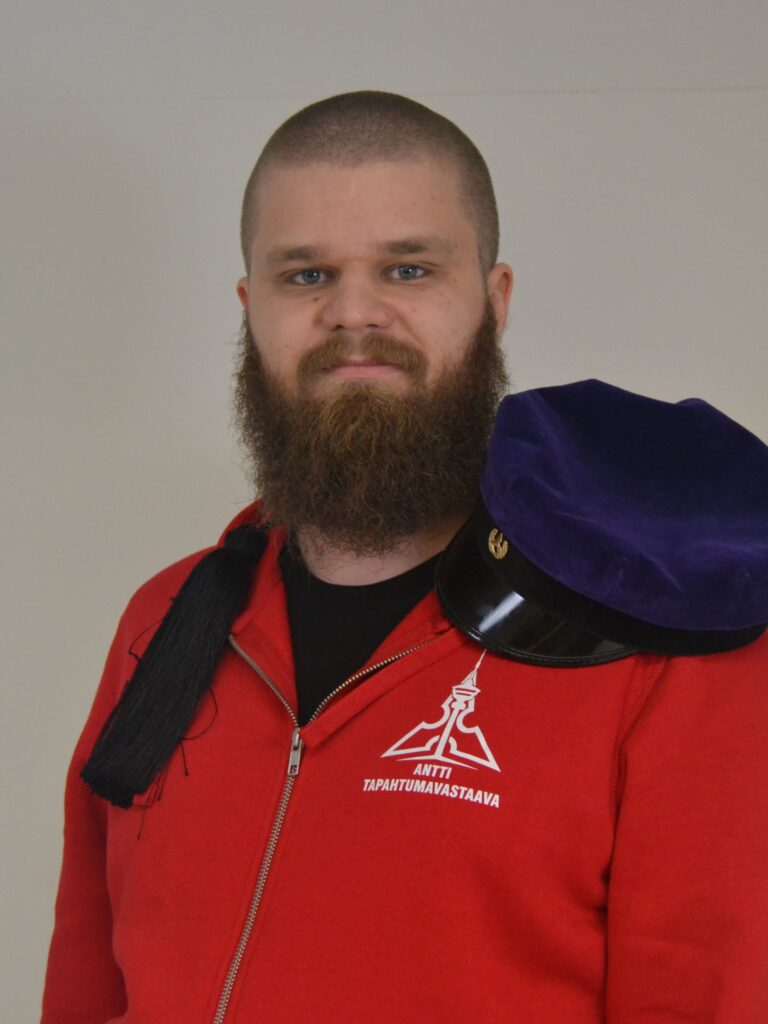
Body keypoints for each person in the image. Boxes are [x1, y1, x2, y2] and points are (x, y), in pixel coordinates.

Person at [40, 91, 768, 1023]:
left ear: (493, 303)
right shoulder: (167, 619)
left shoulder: (654, 643)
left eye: (408, 269)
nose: (354, 315)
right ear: (249, 307)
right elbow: (85, 982)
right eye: (305, 274)